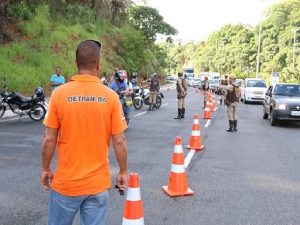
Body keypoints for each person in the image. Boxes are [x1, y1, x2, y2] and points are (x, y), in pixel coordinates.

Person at [41, 40, 128, 225]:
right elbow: (119, 141)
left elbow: (49, 139)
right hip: (97, 185)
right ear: (98, 65)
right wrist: (123, 171)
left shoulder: (59, 94)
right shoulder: (111, 97)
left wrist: (46, 169)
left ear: (76, 63)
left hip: (66, 184)